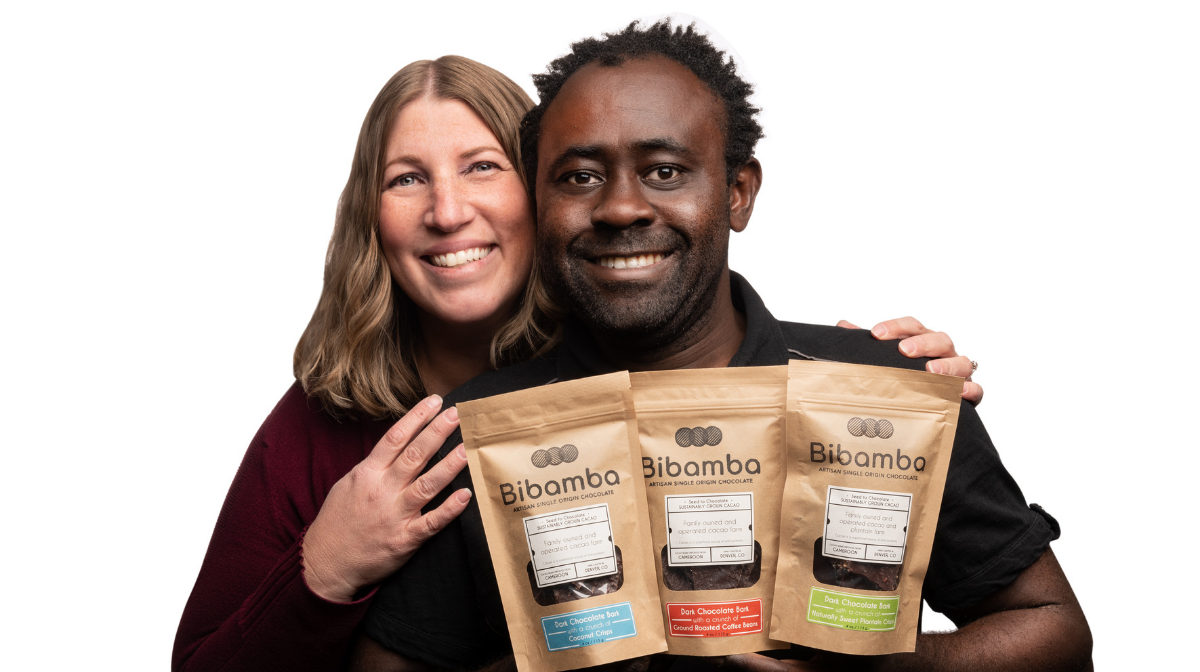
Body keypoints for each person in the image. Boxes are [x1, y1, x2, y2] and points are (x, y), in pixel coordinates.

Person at [172, 54, 978, 672]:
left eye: (481, 167)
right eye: (407, 179)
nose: (448, 211)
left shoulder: (659, 344)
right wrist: (325, 567)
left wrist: (888, 385)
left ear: (539, 194)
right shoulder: (321, 425)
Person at [355, 21, 1091, 671]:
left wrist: (876, 669)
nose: (620, 207)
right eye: (579, 177)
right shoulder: (476, 431)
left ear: (738, 192)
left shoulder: (888, 392)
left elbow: (1055, 634)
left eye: (665, 171)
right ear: (540, 202)